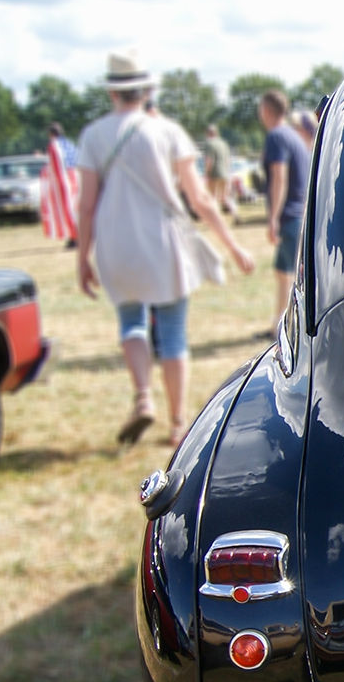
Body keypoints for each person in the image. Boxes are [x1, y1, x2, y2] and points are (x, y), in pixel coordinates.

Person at [75, 49, 254, 446]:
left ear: (113, 93)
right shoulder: (167, 132)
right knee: (172, 331)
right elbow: (200, 199)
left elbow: (86, 205)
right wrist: (234, 246)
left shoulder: (93, 135)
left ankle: (142, 396)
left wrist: (82, 257)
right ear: (146, 91)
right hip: (161, 239)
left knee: (131, 321)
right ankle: (177, 423)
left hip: (115, 241)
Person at [258, 89, 311, 325]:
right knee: (283, 272)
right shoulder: (292, 136)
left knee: (289, 276)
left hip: (289, 215)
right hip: (298, 212)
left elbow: (279, 177)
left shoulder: (276, 137)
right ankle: (276, 324)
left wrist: (273, 217)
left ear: (266, 110)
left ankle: (287, 327)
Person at [41, 122, 79, 248]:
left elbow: (54, 166)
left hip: (62, 181)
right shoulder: (69, 144)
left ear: (51, 133)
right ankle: (77, 236)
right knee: (74, 209)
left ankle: (74, 238)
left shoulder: (54, 145)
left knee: (67, 210)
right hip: (74, 180)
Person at [202, 124, 233, 217]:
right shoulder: (224, 143)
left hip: (215, 172)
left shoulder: (208, 144)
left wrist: (206, 173)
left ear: (207, 133)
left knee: (213, 197)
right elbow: (228, 159)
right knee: (224, 198)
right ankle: (235, 215)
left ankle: (215, 216)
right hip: (225, 172)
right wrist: (228, 171)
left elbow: (209, 160)